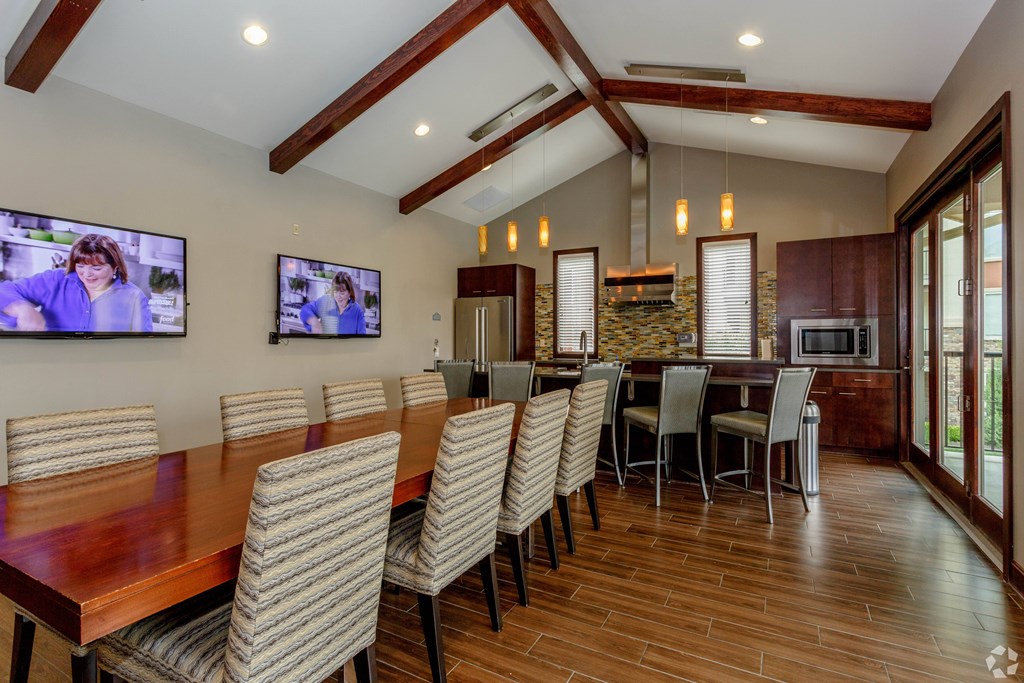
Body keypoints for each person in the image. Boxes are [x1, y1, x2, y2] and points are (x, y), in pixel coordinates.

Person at [0, 233, 153, 332]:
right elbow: (4, 290)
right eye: (80, 266)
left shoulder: (134, 298)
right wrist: (22, 308)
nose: (86, 274)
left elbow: (145, 347)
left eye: (96, 268)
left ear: (115, 267)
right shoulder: (56, 280)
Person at [300, 270, 366, 335]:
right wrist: (314, 322)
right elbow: (305, 310)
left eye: (342, 293)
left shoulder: (358, 311)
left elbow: (362, 341)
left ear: (349, 292)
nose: (338, 297)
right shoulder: (326, 301)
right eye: (335, 292)